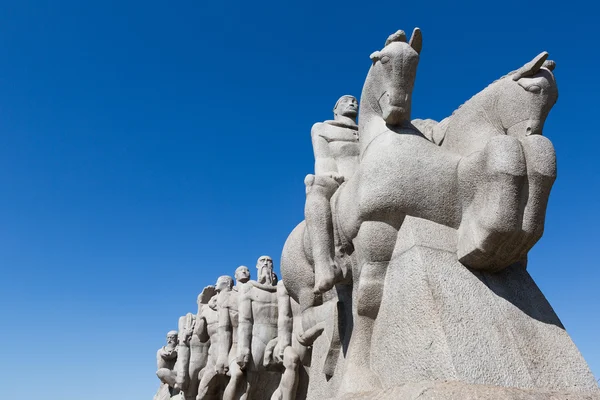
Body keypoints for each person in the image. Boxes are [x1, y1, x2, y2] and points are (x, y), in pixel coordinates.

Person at [305, 95, 360, 293]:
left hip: (370, 175)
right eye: (346, 101)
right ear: (335, 109)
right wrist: (329, 173)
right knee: (315, 186)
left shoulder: (369, 127)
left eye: (354, 100)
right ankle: (324, 264)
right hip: (339, 178)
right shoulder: (322, 128)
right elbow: (323, 157)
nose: (352, 102)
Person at [237, 256, 300, 400]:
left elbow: (287, 317)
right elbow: (245, 320)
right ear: (257, 266)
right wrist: (243, 348)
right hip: (257, 340)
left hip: (277, 339)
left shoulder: (281, 288)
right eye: (262, 261)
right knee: (250, 386)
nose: (266, 263)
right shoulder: (249, 288)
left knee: (275, 382)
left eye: (269, 261)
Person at [216, 266, 251, 400]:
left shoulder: (255, 291)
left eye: (246, 270)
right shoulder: (228, 297)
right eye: (240, 270)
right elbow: (224, 329)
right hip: (235, 346)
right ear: (235, 276)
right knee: (237, 374)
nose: (244, 272)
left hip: (255, 345)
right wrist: (222, 356)